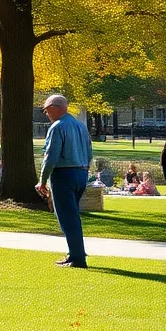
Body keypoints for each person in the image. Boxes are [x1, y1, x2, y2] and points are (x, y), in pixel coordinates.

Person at [38, 94, 93, 269]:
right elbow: (90, 152)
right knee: (72, 215)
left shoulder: (57, 127)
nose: (46, 114)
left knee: (66, 217)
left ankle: (77, 257)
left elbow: (51, 156)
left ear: (55, 107)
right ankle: (75, 252)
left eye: (47, 110)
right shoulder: (81, 127)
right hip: (81, 173)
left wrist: (42, 180)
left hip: (64, 174)